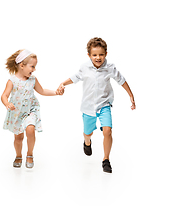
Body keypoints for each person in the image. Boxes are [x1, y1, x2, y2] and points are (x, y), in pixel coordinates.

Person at [57, 37, 135, 173]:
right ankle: (87, 142)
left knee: (108, 131)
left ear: (106, 54)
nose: (98, 57)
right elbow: (75, 77)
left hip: (104, 105)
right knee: (88, 133)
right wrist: (63, 83)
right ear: (89, 55)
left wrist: (131, 95)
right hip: (88, 106)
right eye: (94, 55)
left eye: (101, 54)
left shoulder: (110, 68)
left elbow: (121, 80)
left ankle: (106, 160)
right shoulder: (84, 67)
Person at [1, 49, 63, 168]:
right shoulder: (12, 81)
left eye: (35, 67)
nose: (34, 69)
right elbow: (4, 95)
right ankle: (18, 155)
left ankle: (30, 154)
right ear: (22, 65)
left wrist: (56, 92)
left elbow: (42, 91)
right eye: (32, 66)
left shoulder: (33, 80)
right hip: (17, 113)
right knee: (18, 138)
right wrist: (7, 103)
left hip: (30, 110)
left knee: (30, 130)